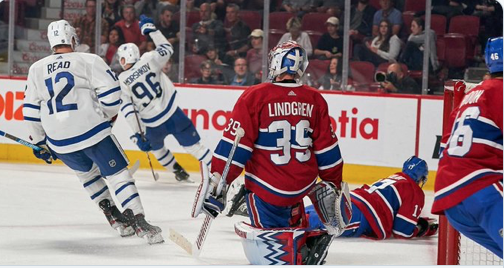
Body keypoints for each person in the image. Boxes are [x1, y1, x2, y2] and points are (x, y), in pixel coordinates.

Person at [192, 41, 352, 265]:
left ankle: (295, 251)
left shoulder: (255, 96)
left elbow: (235, 148)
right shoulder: (315, 99)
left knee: (269, 254)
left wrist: (219, 181)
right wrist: (333, 185)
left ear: (276, 63)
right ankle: (305, 242)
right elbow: (328, 151)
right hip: (300, 191)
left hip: (265, 192)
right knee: (291, 223)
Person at [22, 19, 163, 245]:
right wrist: (103, 117)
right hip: (92, 131)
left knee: (87, 176)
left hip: (59, 141)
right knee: (118, 174)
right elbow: (111, 99)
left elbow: (30, 112)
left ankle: (115, 219)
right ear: (71, 38)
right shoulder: (88, 60)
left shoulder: (36, 69)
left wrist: (40, 142)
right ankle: (138, 220)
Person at [117, 15, 213, 183]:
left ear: (124, 59)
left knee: (158, 150)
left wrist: (139, 134)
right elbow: (167, 47)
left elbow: (129, 111)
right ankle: (218, 170)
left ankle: (178, 172)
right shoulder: (149, 59)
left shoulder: (122, 80)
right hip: (173, 114)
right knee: (194, 147)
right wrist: (153, 31)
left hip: (152, 124)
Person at [432, 37, 503, 258]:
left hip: (451, 203)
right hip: (482, 192)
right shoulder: (500, 91)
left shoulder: (470, 96)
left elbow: (444, 148)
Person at [308, 156, 438, 239]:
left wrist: (414, 219)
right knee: (327, 224)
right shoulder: (415, 191)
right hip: (366, 214)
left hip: (352, 198)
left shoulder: (396, 177)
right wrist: (422, 229)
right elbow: (402, 231)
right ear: (421, 178)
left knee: (305, 214)